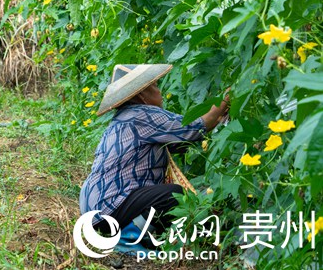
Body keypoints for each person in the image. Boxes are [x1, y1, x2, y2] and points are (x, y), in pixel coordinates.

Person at [80, 64, 230, 248]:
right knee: (174, 194)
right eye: (156, 86)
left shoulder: (122, 119)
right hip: (109, 210)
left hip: (94, 210)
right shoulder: (143, 114)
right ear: (142, 95)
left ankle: (135, 229)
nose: (160, 92)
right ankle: (130, 234)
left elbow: (183, 140)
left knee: (174, 197)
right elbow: (198, 126)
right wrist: (229, 97)